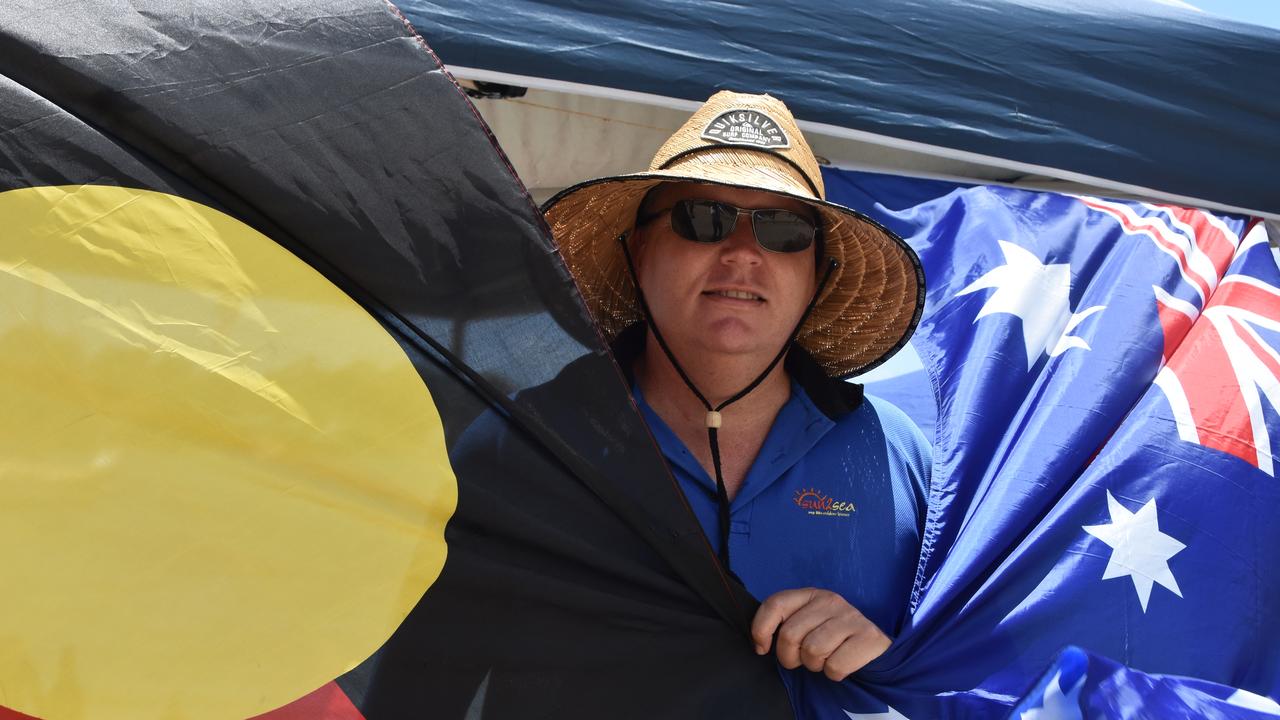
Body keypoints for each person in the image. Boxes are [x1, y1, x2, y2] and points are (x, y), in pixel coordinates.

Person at [540, 91, 931, 685]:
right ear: (637, 249)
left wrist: (890, 662)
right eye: (701, 218)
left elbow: (970, 673)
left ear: (816, 276)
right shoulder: (527, 444)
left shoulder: (900, 456)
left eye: (784, 231)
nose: (744, 252)